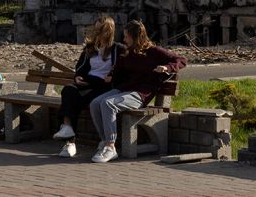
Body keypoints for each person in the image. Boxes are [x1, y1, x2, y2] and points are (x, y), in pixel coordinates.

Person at [88, 19, 186, 164]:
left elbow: (181, 59)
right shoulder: (128, 52)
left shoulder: (154, 52)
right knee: (95, 103)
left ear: (136, 37)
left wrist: (167, 68)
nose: (124, 39)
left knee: (108, 104)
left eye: (127, 36)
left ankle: (110, 147)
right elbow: (119, 70)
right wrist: (111, 75)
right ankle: (105, 141)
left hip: (140, 94)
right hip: (124, 89)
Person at [51, 17, 120, 158]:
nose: (97, 32)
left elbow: (123, 68)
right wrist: (77, 77)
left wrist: (113, 76)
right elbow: (80, 68)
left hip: (103, 86)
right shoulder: (90, 48)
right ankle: (68, 130)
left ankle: (70, 141)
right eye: (96, 29)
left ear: (109, 31)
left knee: (74, 101)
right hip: (87, 83)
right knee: (68, 91)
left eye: (100, 29)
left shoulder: (117, 49)